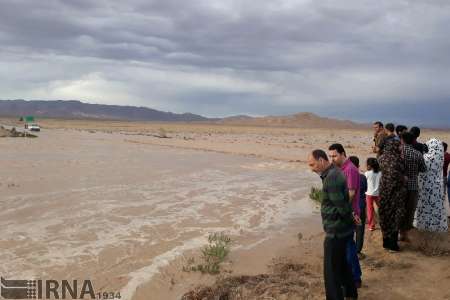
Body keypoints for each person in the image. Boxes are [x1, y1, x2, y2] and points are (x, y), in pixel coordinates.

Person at [307, 150, 358, 300]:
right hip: (341, 230)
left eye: (313, 164)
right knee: (342, 264)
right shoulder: (333, 173)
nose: (312, 168)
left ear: (322, 161)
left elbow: (342, 207)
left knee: (331, 271)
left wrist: (343, 223)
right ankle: (350, 293)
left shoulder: (332, 177)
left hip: (336, 232)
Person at [328, 144, 362, 288]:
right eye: (330, 156)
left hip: (348, 214)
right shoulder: (341, 169)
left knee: (348, 247)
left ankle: (355, 278)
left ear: (343, 154)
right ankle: (351, 276)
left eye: (334, 156)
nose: (332, 159)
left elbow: (351, 193)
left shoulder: (350, 170)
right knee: (345, 246)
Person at [378, 139, 407, 251]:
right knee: (394, 217)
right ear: (394, 147)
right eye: (399, 146)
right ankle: (393, 245)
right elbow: (395, 176)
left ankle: (386, 243)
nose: (400, 148)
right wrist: (404, 178)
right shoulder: (397, 160)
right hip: (395, 195)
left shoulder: (381, 158)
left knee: (385, 216)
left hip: (384, 192)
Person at [415, 139, 449, 232]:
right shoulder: (441, 158)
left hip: (424, 186)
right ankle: (435, 224)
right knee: (435, 205)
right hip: (437, 186)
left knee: (424, 204)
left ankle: (423, 223)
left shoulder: (424, 157)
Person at [399, 132, 427, 242]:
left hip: (400, 185)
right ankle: (404, 234)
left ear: (403, 140)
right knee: (409, 211)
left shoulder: (399, 152)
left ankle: (398, 233)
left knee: (399, 209)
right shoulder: (418, 154)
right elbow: (423, 169)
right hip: (413, 186)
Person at [349, 156, 368, 254]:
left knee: (349, 230)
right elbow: (365, 190)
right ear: (358, 165)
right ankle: (358, 251)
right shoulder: (363, 177)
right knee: (360, 230)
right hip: (360, 206)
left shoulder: (346, 176)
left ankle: (349, 249)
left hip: (349, 208)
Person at [365, 158, 381, 231]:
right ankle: (384, 222)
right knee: (381, 208)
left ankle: (371, 225)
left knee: (370, 209)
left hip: (369, 193)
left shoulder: (367, 173)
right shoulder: (380, 173)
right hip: (378, 193)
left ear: (369, 165)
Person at [443, 142, 450, 206]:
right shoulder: (448, 155)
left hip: (437, 176)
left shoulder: (438, 155)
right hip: (444, 176)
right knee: (443, 193)